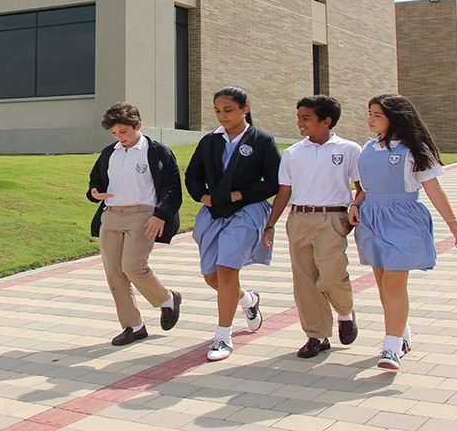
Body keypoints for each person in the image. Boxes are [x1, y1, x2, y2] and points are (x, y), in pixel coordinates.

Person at [350, 93, 457, 371]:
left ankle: (391, 348)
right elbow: (365, 188)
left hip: (402, 219)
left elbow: (435, 190)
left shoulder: (415, 151)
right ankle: (401, 334)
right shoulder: (367, 148)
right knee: (382, 282)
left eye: (377, 115)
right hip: (371, 219)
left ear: (395, 117)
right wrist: (355, 205)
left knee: (393, 283)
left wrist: (454, 225)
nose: (370, 119)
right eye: (369, 113)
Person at [263, 95, 363, 359]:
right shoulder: (293, 153)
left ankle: (344, 311)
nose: (300, 123)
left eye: (306, 118)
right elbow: (284, 191)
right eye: (299, 118)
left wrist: (354, 208)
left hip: (332, 219)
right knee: (304, 280)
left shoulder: (350, 149)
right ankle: (317, 335)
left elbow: (362, 188)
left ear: (326, 121)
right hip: (299, 219)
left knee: (331, 276)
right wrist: (270, 224)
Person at [185, 86, 280, 361]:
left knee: (226, 271)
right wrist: (202, 196)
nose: (222, 116)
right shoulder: (209, 142)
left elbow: (274, 182)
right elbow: (192, 175)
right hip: (214, 212)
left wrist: (241, 194)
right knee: (211, 276)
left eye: (228, 110)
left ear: (244, 109)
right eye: (217, 111)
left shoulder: (262, 141)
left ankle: (222, 338)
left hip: (248, 211)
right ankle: (248, 300)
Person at [87, 102, 184, 346]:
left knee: (133, 266)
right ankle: (134, 326)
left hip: (143, 215)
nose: (120, 138)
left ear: (137, 125)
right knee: (114, 273)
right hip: (111, 214)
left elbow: (173, 187)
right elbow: (95, 181)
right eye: (115, 133)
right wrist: (94, 192)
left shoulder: (157, 151)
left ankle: (168, 299)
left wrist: (160, 215)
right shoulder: (110, 152)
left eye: (124, 132)